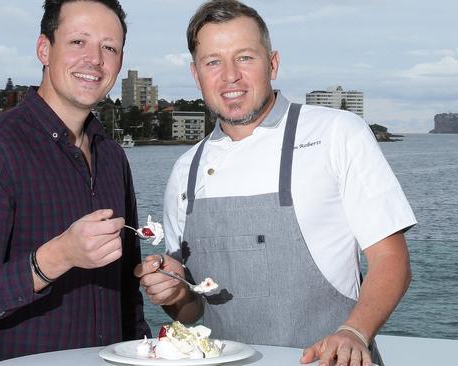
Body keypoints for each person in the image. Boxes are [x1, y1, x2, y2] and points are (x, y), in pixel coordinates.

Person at [135, 1, 416, 365]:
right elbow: (192, 313)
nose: (230, 76)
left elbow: (392, 261)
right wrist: (172, 292)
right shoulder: (185, 170)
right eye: (213, 62)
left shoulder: (337, 133)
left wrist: (354, 332)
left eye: (245, 57)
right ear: (196, 73)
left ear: (273, 63)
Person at [0, 1, 150, 364]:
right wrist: (56, 257)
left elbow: (127, 297)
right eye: (78, 41)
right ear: (44, 49)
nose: (95, 59)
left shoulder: (112, 157)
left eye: (109, 47)